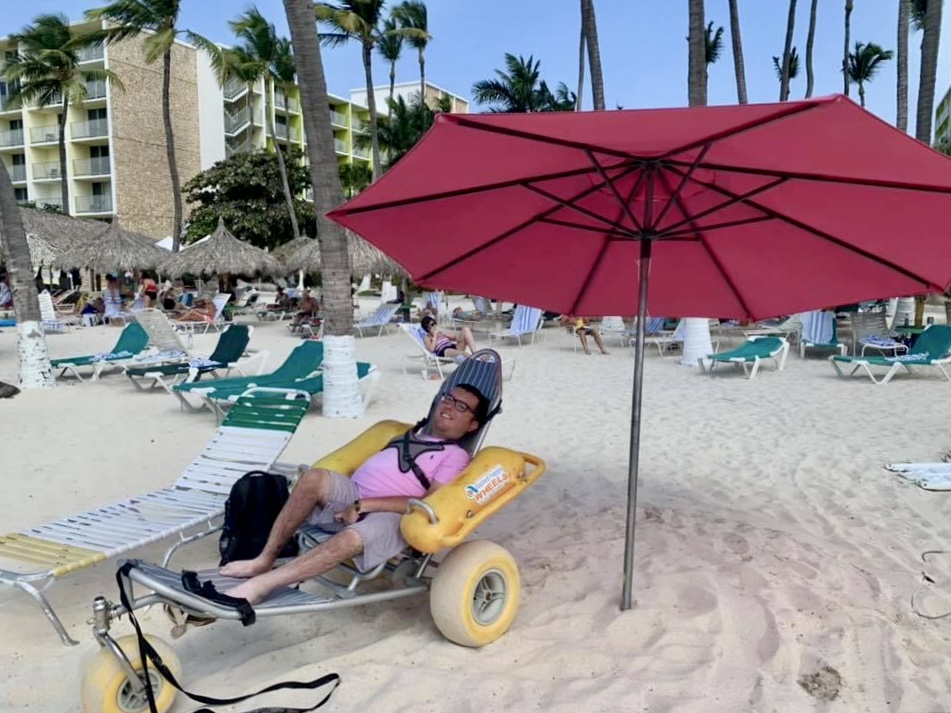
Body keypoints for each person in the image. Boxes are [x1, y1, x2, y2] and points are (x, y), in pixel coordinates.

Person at [221, 384, 490, 603]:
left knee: (354, 536)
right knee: (313, 478)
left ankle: (264, 584)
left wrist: (363, 505)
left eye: (461, 407)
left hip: (396, 515)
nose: (449, 407)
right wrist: (356, 500)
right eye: (448, 398)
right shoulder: (407, 434)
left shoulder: (455, 456)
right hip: (354, 493)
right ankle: (264, 559)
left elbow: (428, 502)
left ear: (471, 425)